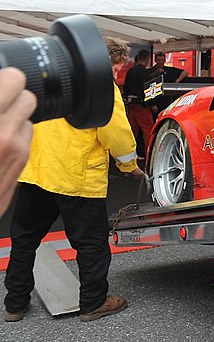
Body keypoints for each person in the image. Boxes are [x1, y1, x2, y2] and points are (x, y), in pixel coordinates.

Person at [4, 38, 144, 323]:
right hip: (76, 174)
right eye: (116, 67)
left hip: (36, 171)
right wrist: (129, 165)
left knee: (24, 238)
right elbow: (115, 133)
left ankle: (15, 303)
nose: (117, 75)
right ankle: (93, 302)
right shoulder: (101, 87)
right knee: (90, 242)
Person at [0, 68, 36, 214]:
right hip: (75, 179)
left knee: (26, 230)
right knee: (87, 235)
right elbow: (112, 138)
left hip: (32, 172)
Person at [122, 49, 156, 157]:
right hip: (142, 105)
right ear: (147, 60)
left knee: (132, 132)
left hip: (131, 105)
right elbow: (148, 90)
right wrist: (152, 104)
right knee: (148, 131)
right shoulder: (144, 72)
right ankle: (148, 157)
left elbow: (126, 88)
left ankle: (129, 156)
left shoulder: (130, 71)